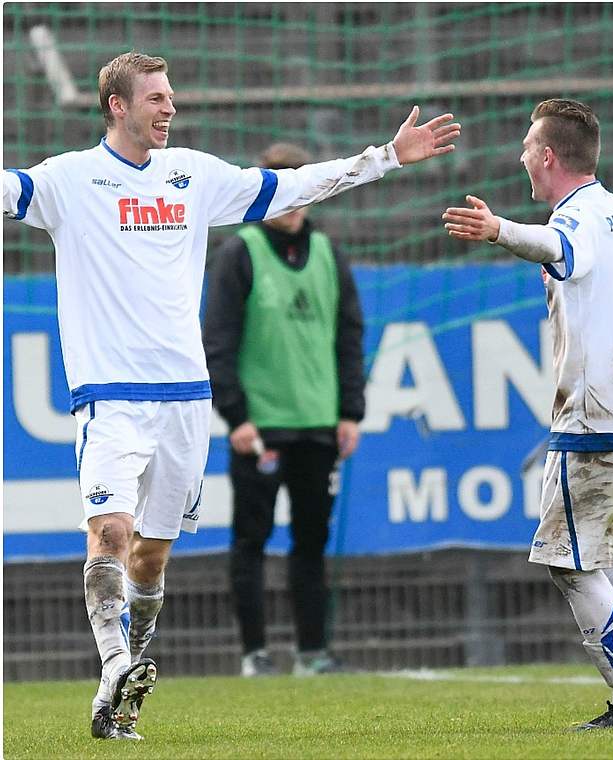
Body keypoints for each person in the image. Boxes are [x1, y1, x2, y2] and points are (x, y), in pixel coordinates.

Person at [2, 51, 458, 740]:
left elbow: (295, 183)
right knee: (110, 533)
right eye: (155, 97)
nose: (170, 107)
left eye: (171, 95)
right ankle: (113, 668)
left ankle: (128, 681)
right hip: (110, 397)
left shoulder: (193, 175)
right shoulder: (69, 179)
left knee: (150, 559)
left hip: (185, 399)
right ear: (117, 105)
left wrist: (386, 156)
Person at [442, 98, 613, 730]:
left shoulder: (577, 220)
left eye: (526, 146)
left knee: (567, 564)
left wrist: (498, 231)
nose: (521, 156)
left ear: (547, 156)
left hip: (597, 420)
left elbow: (560, 250)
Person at [202, 142, 365, 678]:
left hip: (318, 424)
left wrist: (350, 412)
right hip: (261, 427)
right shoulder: (240, 252)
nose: (292, 200)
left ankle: (312, 652)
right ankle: (254, 654)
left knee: (312, 542)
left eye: (300, 186)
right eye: (280, 186)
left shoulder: (329, 255)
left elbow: (348, 336)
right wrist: (237, 417)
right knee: (251, 539)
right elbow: (218, 341)